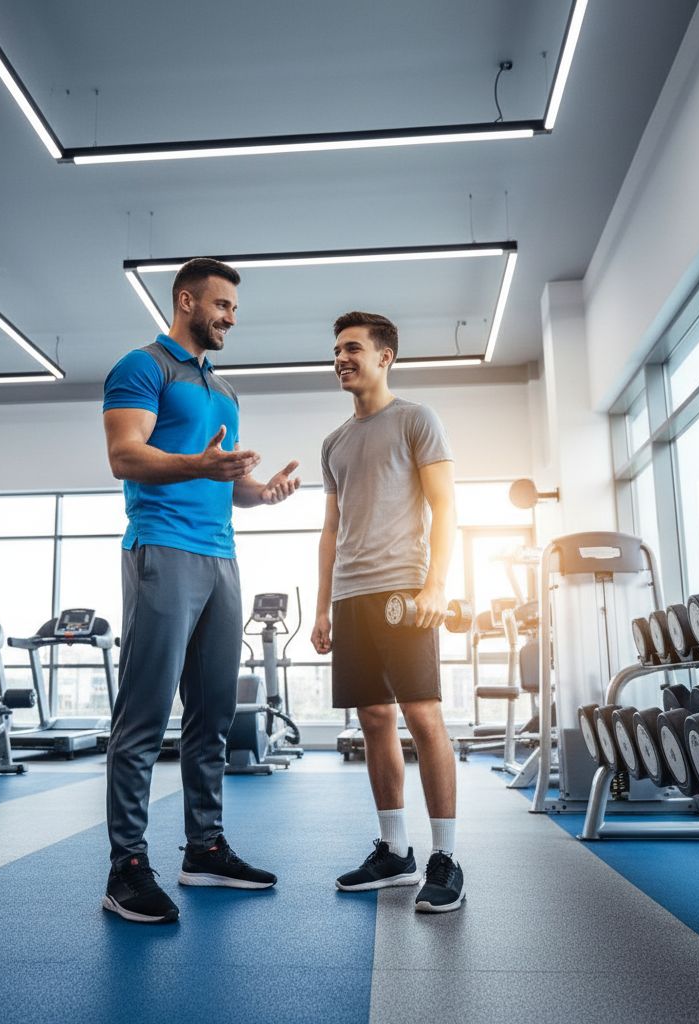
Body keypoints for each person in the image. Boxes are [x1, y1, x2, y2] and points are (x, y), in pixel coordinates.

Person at [102, 257, 301, 924]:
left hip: (222, 558)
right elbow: (125, 456)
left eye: (234, 309)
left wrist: (262, 491)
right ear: (186, 301)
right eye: (220, 305)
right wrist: (198, 463)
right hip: (162, 549)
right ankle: (126, 866)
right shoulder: (142, 367)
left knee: (214, 715)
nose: (230, 318)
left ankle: (204, 848)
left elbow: (227, 482)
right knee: (145, 716)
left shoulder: (226, 392)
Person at [311, 310, 464, 914]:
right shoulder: (334, 442)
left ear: (385, 357)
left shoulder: (416, 419)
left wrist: (436, 585)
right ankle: (395, 852)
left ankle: (445, 857)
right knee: (373, 718)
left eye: (353, 349)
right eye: (337, 351)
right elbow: (330, 529)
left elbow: (445, 506)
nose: (342, 359)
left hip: (404, 590)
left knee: (423, 718)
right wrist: (322, 606)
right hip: (351, 597)